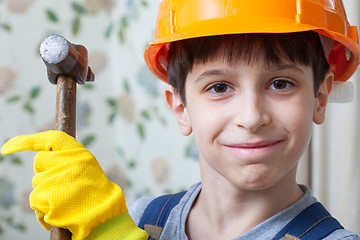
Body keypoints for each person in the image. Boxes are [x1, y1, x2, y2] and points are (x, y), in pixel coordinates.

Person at [1, 0, 360, 239]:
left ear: (320, 97)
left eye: (280, 84)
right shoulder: (145, 218)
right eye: (219, 87)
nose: (252, 117)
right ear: (180, 107)